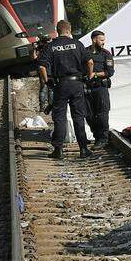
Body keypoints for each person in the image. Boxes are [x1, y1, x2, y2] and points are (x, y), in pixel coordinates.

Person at [38, 20, 92, 159]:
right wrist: (88, 76)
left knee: (60, 118)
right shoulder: (77, 44)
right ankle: (83, 149)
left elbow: (42, 67)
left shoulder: (51, 46)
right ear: (69, 30)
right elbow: (90, 61)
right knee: (78, 117)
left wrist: (47, 82)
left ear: (57, 30)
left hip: (60, 85)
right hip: (76, 84)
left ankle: (58, 150)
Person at [83, 30, 115, 147]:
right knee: (89, 115)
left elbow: (110, 72)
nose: (103, 42)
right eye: (101, 40)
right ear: (94, 40)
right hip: (87, 88)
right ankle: (97, 136)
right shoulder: (85, 52)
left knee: (102, 114)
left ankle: (103, 138)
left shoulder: (106, 54)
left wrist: (95, 74)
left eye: (103, 40)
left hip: (100, 87)